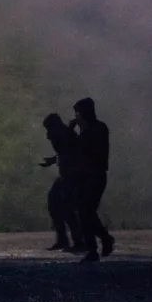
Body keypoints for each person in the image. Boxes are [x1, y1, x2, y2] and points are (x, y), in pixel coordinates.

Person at [72, 97, 115, 262]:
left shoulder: (96, 129)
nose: (77, 116)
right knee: (85, 212)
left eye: (78, 113)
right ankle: (99, 243)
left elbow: (88, 153)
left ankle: (97, 246)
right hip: (87, 176)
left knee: (86, 211)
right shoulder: (91, 129)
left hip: (94, 176)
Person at [39, 113, 84, 252]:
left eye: (49, 130)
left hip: (73, 176)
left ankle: (78, 242)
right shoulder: (64, 134)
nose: (48, 135)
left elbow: (71, 153)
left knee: (66, 209)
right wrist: (53, 160)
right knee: (56, 204)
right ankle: (65, 240)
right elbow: (65, 152)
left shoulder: (66, 135)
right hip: (68, 175)